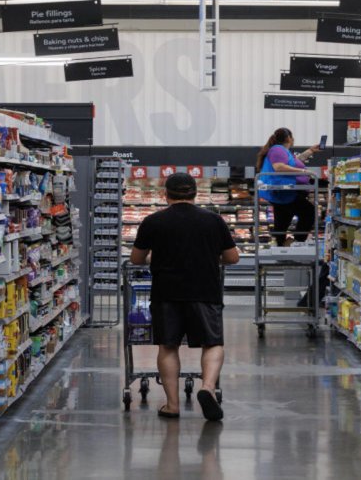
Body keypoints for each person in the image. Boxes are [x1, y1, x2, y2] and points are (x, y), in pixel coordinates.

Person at [130, 172, 240, 421]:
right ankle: (207, 388)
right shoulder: (213, 220)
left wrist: (155, 257)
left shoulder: (153, 221)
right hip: (205, 291)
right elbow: (232, 257)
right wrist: (209, 256)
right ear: (195, 193)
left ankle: (172, 405)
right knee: (212, 343)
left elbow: (136, 259)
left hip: (166, 292)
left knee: (168, 346)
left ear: (165, 195)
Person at [257, 127, 320, 247]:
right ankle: (297, 242)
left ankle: (281, 245)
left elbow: (295, 162)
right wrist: (304, 172)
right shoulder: (278, 150)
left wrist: (311, 150)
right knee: (308, 212)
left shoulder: (281, 151)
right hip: (284, 191)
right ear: (289, 138)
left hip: (282, 193)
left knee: (283, 220)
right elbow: (279, 167)